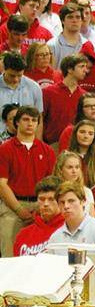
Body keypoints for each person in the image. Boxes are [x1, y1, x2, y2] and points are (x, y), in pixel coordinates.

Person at [0, 105, 55, 255]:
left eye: (34, 120)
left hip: (40, 205)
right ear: (17, 122)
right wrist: (18, 209)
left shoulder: (48, 151)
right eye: (25, 119)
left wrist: (42, 206)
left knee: (39, 254)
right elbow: (1, 184)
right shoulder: (5, 149)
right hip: (12, 207)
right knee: (9, 255)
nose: (30, 123)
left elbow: (51, 184)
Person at [47, 180, 95, 246]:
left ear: (83, 202)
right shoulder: (54, 239)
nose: (66, 206)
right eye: (62, 202)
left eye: (71, 201)